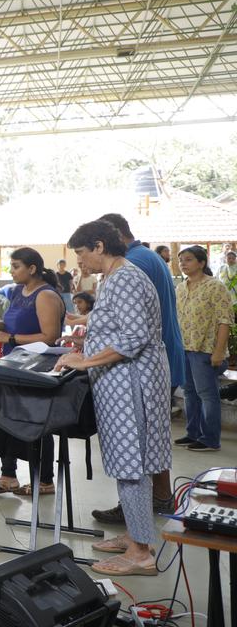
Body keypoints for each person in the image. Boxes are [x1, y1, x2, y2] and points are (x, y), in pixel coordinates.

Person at [54, 220, 171, 577]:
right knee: (130, 463)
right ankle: (137, 535)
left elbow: (133, 337)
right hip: (124, 382)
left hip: (129, 384)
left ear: (100, 246)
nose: (79, 261)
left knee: (130, 464)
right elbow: (119, 328)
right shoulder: (118, 277)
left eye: (81, 253)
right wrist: (85, 342)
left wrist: (86, 359)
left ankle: (140, 552)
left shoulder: (126, 278)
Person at [89, 213, 185, 523]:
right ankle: (155, 501)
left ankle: (140, 516)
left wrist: (87, 359)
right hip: (152, 359)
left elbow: (131, 333)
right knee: (149, 442)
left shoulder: (129, 267)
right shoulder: (143, 258)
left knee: (136, 448)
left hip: (139, 368)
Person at [0, 247, 64, 496]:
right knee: (7, 418)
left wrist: (10, 336)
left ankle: (45, 480)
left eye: (16, 266)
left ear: (32, 269)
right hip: (14, 363)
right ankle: (8, 475)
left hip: (35, 367)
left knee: (35, 422)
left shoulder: (45, 296)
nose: (12, 271)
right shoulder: (19, 291)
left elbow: (50, 336)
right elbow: (16, 323)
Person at [174, 245, 231, 452]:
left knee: (207, 394)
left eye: (188, 259)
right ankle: (193, 433)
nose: (183, 264)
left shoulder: (215, 287)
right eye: (181, 260)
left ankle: (210, 439)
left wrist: (218, 351)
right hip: (185, 349)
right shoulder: (180, 288)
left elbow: (225, 321)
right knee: (189, 393)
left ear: (201, 262)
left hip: (206, 350)